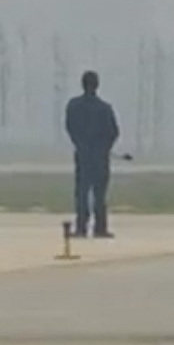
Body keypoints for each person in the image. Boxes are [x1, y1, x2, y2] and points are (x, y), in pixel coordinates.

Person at [64, 70, 120, 238]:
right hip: (100, 157)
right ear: (97, 85)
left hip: (83, 155)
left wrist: (80, 144)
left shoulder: (74, 106)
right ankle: (100, 227)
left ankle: (81, 227)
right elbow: (113, 132)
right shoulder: (104, 108)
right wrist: (104, 148)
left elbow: (70, 127)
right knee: (99, 194)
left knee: (81, 192)